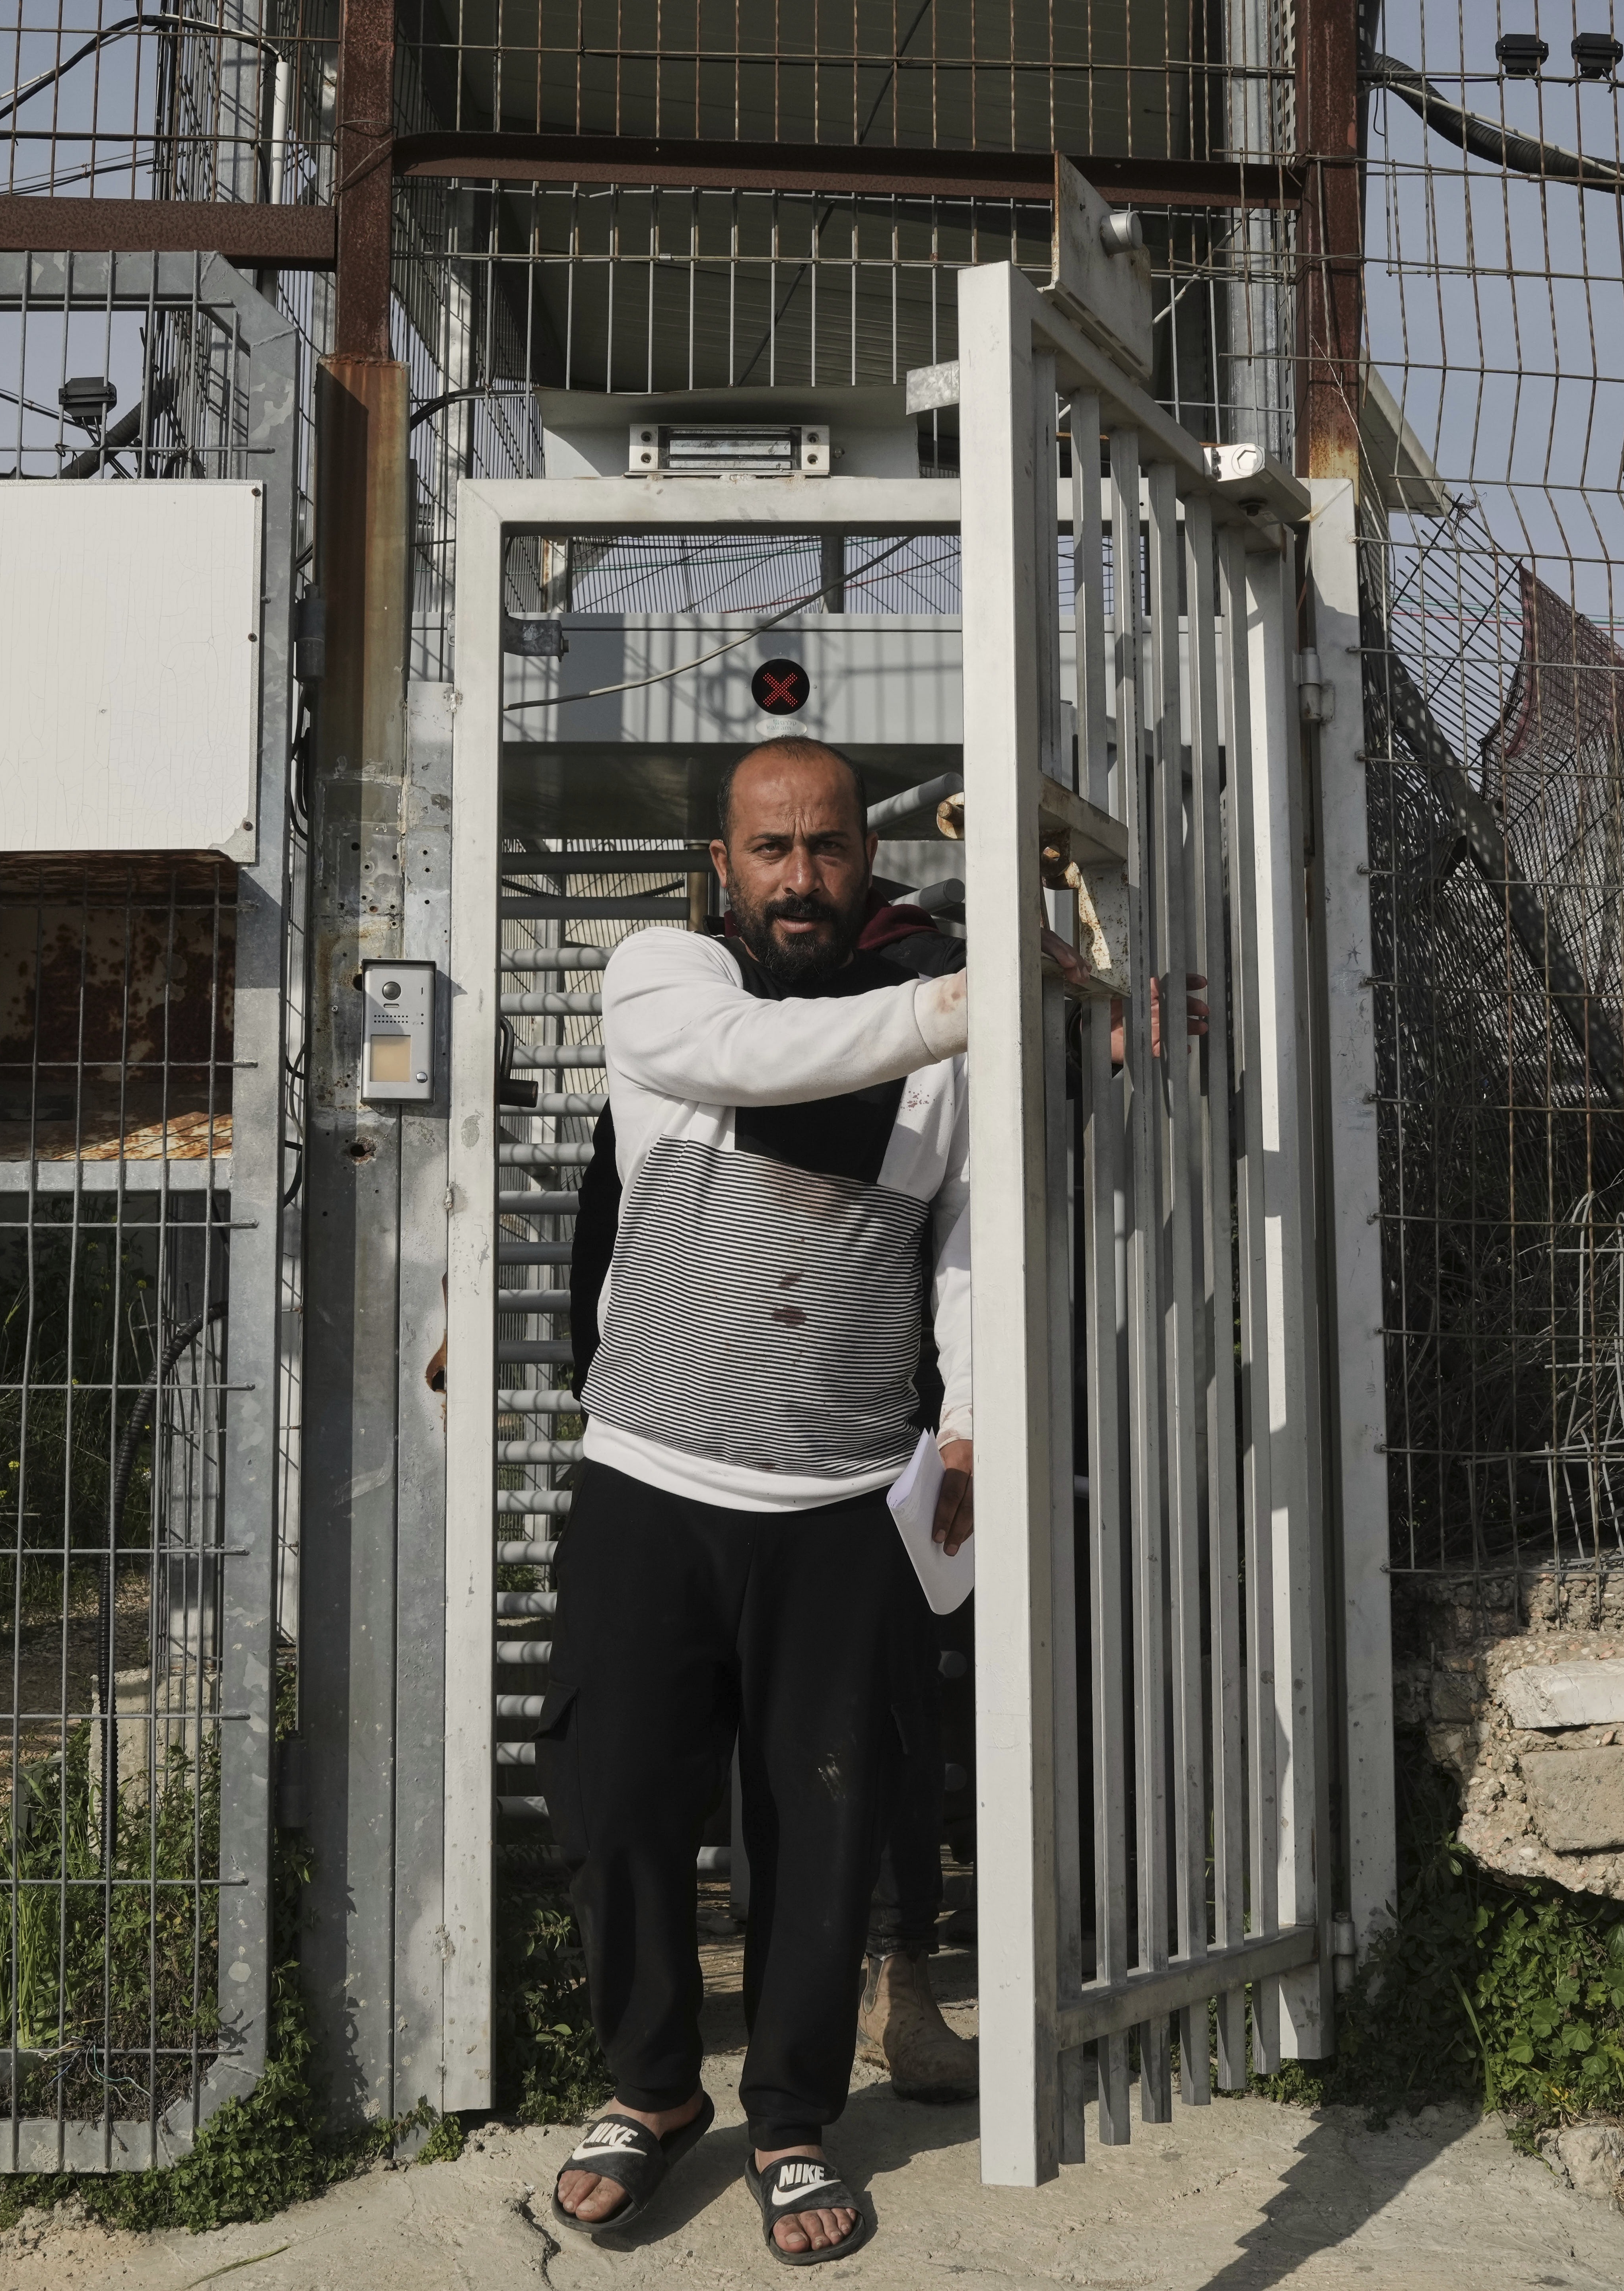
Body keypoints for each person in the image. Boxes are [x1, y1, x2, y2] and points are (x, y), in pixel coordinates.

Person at [542, 737, 973, 2265]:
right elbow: (751, 1063)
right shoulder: (665, 978)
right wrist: (957, 1003)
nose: (801, 876)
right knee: (620, 1799)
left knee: (820, 1823)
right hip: (651, 1479)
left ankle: (792, 2118)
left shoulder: (940, 1044)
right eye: (772, 849)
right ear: (723, 866)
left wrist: (971, 1422)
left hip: (841, 1497)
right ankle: (653, 2095)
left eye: (831, 847)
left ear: (868, 860)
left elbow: (965, 1246)